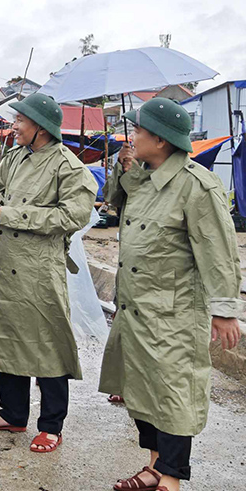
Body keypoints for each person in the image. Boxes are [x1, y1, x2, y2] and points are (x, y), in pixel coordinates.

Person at [99, 98, 243, 491]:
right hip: (136, 306)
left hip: (175, 310)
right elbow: (115, 204)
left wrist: (225, 309)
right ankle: (153, 466)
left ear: (160, 140)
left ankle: (172, 479)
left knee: (174, 394)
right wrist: (123, 165)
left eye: (139, 131)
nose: (133, 136)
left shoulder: (197, 185)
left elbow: (218, 250)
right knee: (142, 388)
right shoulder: (144, 177)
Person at [0, 93, 97, 454]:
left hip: (41, 270)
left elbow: (72, 217)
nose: (14, 126)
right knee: (8, 338)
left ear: (40, 127)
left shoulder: (70, 168)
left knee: (49, 344)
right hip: (8, 266)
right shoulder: (14, 157)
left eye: (20, 121)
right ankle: (12, 413)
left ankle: (51, 425)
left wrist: (9, 213)